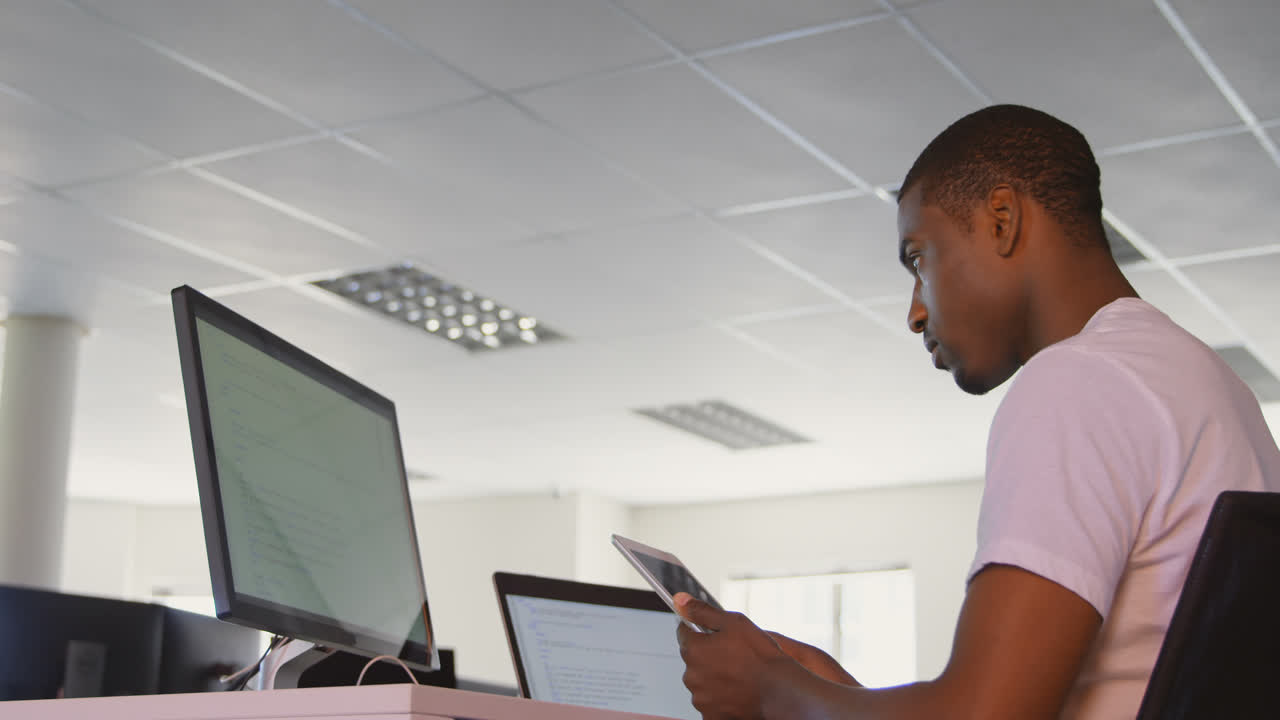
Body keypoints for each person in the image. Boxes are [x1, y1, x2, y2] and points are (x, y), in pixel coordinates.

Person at [672, 104, 1280, 719]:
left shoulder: (1076, 381)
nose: (915, 312)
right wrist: (830, 696)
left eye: (918, 260)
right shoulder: (1213, 388)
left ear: (1002, 220)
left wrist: (770, 690)